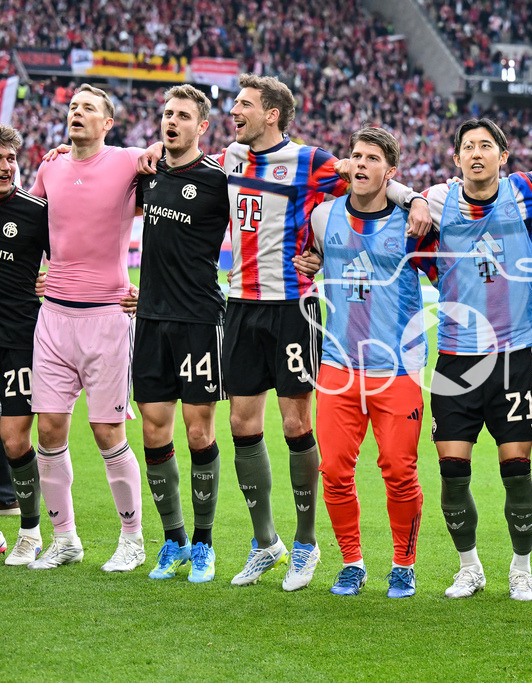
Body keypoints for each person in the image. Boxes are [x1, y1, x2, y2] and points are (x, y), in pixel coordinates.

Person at [141, 74, 428, 590]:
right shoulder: (228, 157)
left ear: (271, 114)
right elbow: (177, 155)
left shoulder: (310, 160)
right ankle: (264, 541)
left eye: (245, 105)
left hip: (293, 307)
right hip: (242, 306)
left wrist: (415, 200)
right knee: (242, 426)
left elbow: (370, 178)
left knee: (296, 425)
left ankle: (305, 544)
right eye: (234, 105)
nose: (236, 112)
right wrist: (148, 150)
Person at [422, 118, 532, 601]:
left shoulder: (527, 191)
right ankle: (469, 568)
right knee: (452, 473)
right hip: (454, 360)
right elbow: (389, 193)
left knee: (516, 469)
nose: (477, 153)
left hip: (512, 359)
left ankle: (521, 568)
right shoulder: (435, 201)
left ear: (503, 155)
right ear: (456, 159)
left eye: (486, 146)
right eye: (468, 147)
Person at [27, 84, 153, 572]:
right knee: (50, 429)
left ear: (108, 123)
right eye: (73, 107)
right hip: (54, 317)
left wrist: (155, 289)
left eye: (89, 109)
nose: (77, 113)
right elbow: (25, 222)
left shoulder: (128, 163)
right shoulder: (50, 167)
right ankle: (65, 540)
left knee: (107, 432)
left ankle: (132, 539)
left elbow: (170, 213)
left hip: (106, 317)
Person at [310, 127, 437, 598]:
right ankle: (352, 562)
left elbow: (449, 278)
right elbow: (308, 255)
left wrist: (416, 200)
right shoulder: (323, 218)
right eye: (355, 156)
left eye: (371, 159)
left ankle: (403, 564)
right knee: (335, 471)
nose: (360, 164)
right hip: (338, 365)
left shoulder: (413, 226)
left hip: (397, 370)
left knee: (400, 471)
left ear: (391, 172)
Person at [131, 85, 229, 583]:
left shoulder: (218, 181)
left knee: (198, 429)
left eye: (183, 116)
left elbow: (268, 218)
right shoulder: (144, 175)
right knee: (153, 428)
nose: (172, 122)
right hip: (149, 318)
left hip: (197, 319)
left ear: (201, 126)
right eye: (167, 114)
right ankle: (173, 540)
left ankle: (206, 543)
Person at [0, 124, 48, 565]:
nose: (5, 166)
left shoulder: (34, 211)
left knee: (14, 441)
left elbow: (72, 253)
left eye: (11, 158)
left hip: (17, 341)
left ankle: (30, 532)